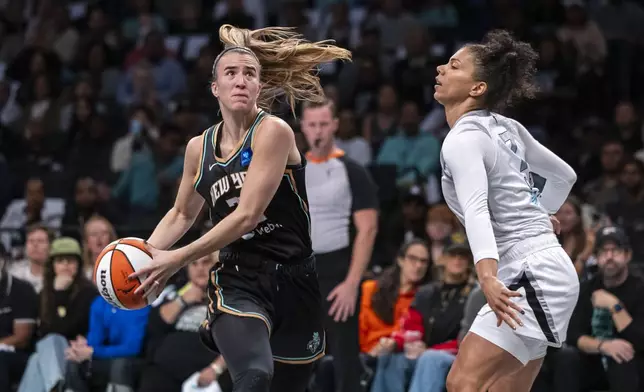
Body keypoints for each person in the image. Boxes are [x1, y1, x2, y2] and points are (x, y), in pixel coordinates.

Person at [129, 24, 351, 392]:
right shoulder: (198, 149)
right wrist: (145, 257)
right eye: (230, 73)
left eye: (250, 74)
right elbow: (182, 214)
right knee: (254, 375)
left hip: (295, 281)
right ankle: (227, 325)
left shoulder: (273, 132)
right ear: (215, 88)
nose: (241, 80)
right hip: (239, 278)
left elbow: (248, 214)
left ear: (259, 88)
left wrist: (177, 258)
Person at [434, 30, 580, 392]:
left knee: (462, 383)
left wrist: (486, 278)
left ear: (477, 88)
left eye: (454, 66)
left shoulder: (463, 140)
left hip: (531, 272)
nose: (440, 69)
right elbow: (564, 176)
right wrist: (539, 211)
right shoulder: (507, 128)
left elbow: (476, 207)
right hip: (542, 266)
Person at [300, 98, 379, 392]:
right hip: (300, 269)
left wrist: (352, 282)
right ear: (303, 127)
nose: (318, 130)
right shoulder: (292, 170)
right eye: (312, 125)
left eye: (323, 124)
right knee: (295, 352)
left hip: (338, 269)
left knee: (345, 354)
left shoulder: (353, 171)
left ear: (334, 125)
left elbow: (367, 229)